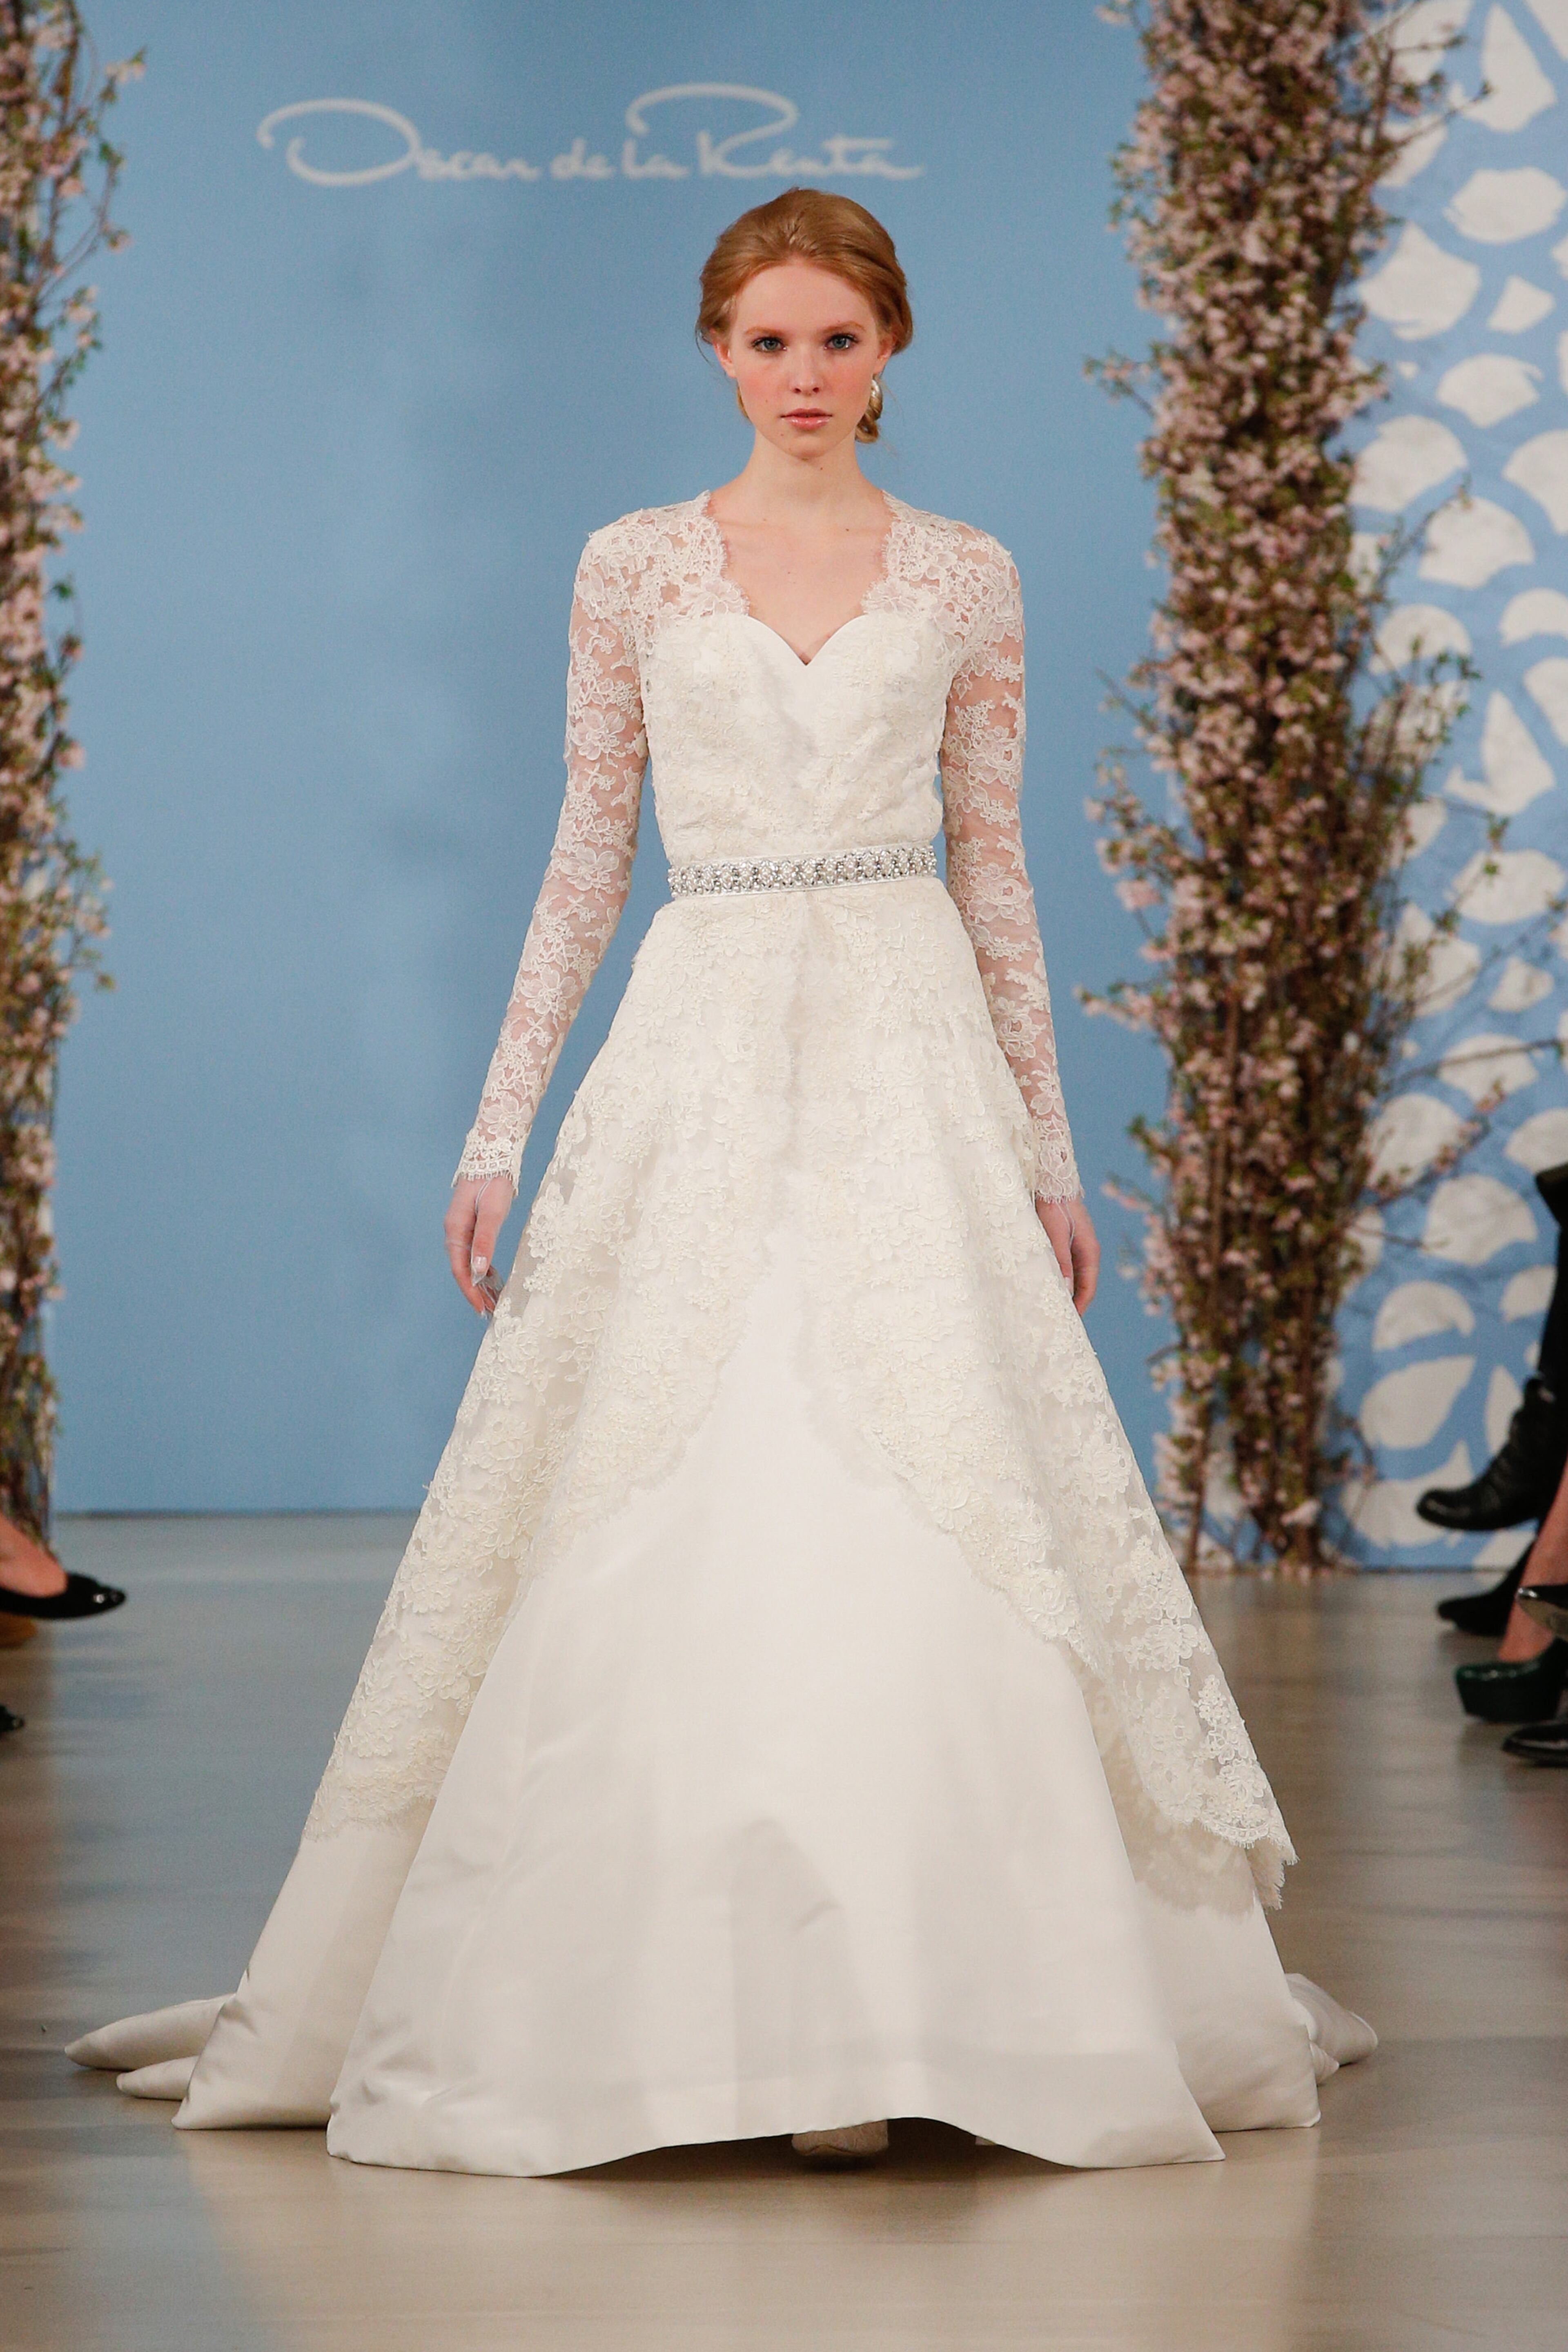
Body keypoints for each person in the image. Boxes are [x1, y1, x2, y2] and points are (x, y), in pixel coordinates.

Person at [67, 189, 1372, 2170]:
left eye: (840, 341)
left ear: (894, 349)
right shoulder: (631, 569)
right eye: (769, 342)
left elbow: (1000, 871)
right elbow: (589, 848)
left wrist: (1049, 1144)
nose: (807, 378)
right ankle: (680, 2007)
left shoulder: (966, 575)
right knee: (667, 1456)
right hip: (695, 1038)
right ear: (715, 352)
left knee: (927, 1460)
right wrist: (499, 1127)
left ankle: (949, 1999)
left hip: (906, 1036)